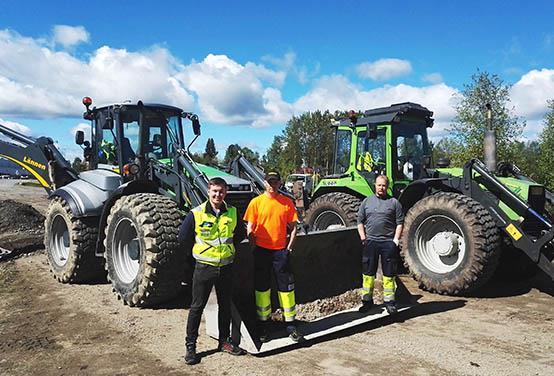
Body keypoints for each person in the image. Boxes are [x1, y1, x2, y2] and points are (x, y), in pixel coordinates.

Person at [178, 177, 246, 365]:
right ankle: (191, 347)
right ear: (208, 192)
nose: (218, 194)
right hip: (204, 268)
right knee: (196, 307)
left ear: (226, 193)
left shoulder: (232, 212)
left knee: (225, 305)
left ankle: (224, 341)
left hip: (226, 267)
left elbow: (240, 235)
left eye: (221, 191)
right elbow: (183, 238)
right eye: (214, 191)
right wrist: (198, 256)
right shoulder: (196, 213)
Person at [243, 171, 304, 343]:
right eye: (269, 182)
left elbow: (293, 228)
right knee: (262, 289)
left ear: (279, 183)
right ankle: (263, 324)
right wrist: (252, 241)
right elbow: (250, 226)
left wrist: (289, 249)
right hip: (262, 251)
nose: (272, 185)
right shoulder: (256, 203)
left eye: (275, 182)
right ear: (264, 183)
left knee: (286, 289)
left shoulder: (286, 203)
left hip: (280, 252)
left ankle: (291, 324)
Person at [357, 175, 404, 315]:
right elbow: (359, 221)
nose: (381, 188)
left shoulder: (394, 203)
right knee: (368, 274)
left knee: (389, 274)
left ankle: (389, 302)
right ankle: (367, 301)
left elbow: (400, 223)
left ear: (387, 186)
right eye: (379, 185)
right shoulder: (367, 202)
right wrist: (363, 237)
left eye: (383, 185)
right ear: (374, 185)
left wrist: (395, 241)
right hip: (370, 242)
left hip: (387, 243)